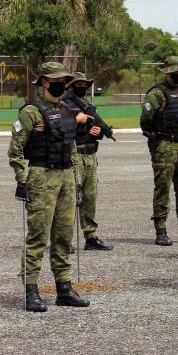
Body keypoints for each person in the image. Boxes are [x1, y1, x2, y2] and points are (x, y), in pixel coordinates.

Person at [9, 62, 92, 312]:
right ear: (44, 82)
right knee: (38, 236)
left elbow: (73, 149)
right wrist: (22, 179)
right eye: (55, 80)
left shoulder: (67, 110)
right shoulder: (30, 113)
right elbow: (15, 151)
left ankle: (63, 289)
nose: (60, 84)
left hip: (66, 176)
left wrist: (77, 181)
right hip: (41, 176)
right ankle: (31, 290)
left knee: (64, 236)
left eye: (62, 80)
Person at [140, 56, 178, 246]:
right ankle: (161, 230)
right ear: (169, 73)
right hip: (165, 145)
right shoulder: (157, 93)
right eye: (176, 71)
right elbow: (146, 121)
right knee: (163, 188)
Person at [61, 72, 113, 251]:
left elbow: (93, 128)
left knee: (90, 199)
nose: (82, 87)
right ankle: (64, 239)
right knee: (71, 197)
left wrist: (97, 132)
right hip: (74, 155)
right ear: (71, 85)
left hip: (90, 155)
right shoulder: (63, 104)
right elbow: (57, 128)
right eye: (78, 84)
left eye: (84, 84)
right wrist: (76, 120)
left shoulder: (88, 105)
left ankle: (90, 236)